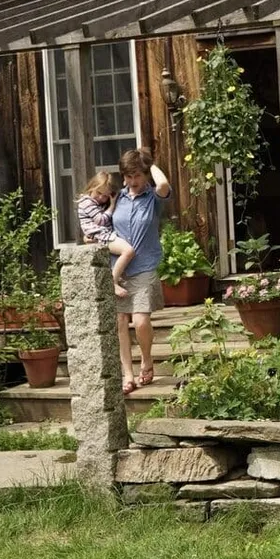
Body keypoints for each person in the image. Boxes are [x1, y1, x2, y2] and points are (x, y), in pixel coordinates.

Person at [109, 148, 171, 395]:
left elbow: (164, 183)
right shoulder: (118, 198)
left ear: (145, 174)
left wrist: (149, 163)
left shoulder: (154, 198)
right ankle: (128, 374)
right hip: (118, 268)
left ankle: (146, 359)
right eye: (127, 176)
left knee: (141, 320)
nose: (132, 181)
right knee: (120, 322)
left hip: (145, 265)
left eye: (136, 175)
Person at [76, 172, 137, 299]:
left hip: (102, 235)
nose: (101, 198)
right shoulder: (86, 201)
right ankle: (113, 282)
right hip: (101, 236)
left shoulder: (97, 203)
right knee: (128, 251)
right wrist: (112, 205)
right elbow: (101, 220)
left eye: (105, 196)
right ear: (92, 187)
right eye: (99, 193)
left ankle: (115, 278)